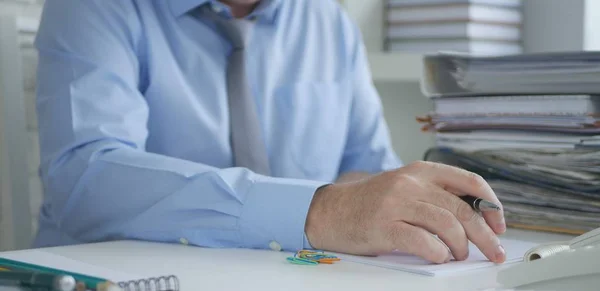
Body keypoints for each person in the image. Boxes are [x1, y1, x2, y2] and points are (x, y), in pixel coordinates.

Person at [33, 0, 507, 264]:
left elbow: (365, 167)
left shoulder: (329, 21)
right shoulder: (92, 7)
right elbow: (84, 177)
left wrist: (387, 209)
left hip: (290, 290)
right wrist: (320, 210)